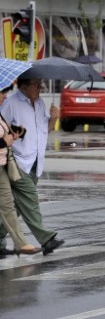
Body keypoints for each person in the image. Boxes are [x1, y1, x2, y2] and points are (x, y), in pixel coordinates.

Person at [0, 78, 64, 256]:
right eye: (36, 84)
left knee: (18, 205)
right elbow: (2, 127)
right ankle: (47, 239)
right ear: (24, 86)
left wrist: (54, 118)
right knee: (30, 200)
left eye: (41, 84)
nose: (40, 87)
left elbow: (46, 129)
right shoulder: (11, 103)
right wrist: (13, 134)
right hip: (17, 161)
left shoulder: (40, 103)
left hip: (35, 162)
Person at [0, 85, 42, 257]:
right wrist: (5, 142)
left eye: (6, 92)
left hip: (1, 165)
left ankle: (21, 243)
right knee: (7, 205)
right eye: (2, 92)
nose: (5, 96)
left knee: (8, 204)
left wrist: (13, 134)